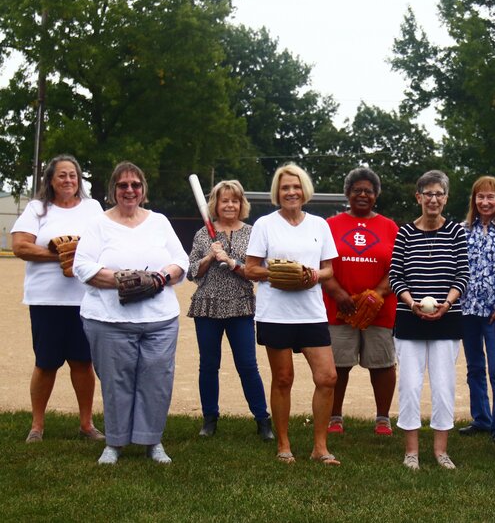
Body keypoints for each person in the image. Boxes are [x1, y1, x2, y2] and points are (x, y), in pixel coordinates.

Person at [74, 161, 189, 465]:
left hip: (159, 319)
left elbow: (181, 261)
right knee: (116, 382)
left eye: (135, 185)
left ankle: (152, 441)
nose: (129, 190)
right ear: (113, 189)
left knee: (157, 381)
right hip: (109, 319)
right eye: (123, 185)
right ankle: (115, 442)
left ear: (143, 189)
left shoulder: (159, 221)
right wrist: (127, 280)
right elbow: (82, 266)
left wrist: (160, 279)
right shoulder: (99, 224)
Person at [244, 163, 340, 465]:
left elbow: (329, 269)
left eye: (296, 186)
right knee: (283, 378)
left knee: (327, 377)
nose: (291, 192)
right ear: (277, 192)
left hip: (311, 312)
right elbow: (250, 269)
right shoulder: (264, 225)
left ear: (305, 190)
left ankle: (320, 447)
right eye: (285, 187)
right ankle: (284, 445)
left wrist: (313, 275)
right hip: (276, 312)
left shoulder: (319, 225)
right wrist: (277, 272)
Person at [11, 154, 105, 443]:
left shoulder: (92, 208)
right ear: (50, 180)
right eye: (62, 175)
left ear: (79, 180)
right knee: (46, 362)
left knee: (82, 362)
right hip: (46, 299)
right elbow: (19, 246)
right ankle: (37, 425)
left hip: (84, 297)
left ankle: (86, 424)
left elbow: (106, 243)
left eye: (73, 175)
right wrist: (58, 254)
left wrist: (80, 255)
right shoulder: (37, 209)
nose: (68, 180)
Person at [389, 170, 469, 471]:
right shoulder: (405, 233)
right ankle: (411, 452)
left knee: (444, 385)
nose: (433, 199)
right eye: (428, 194)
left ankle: (440, 451)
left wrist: (446, 304)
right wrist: (412, 304)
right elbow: (395, 275)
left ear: (445, 199)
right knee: (409, 385)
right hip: (410, 320)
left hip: (447, 319)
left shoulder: (456, 233)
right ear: (418, 197)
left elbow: (463, 273)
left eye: (439, 194)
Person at [187, 180, 273, 440]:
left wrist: (232, 262)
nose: (230, 205)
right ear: (216, 204)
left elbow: (256, 272)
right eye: (224, 200)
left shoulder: (252, 232)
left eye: (234, 200)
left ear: (241, 204)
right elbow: (192, 272)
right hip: (207, 305)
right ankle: (209, 418)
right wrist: (210, 257)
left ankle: (263, 420)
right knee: (209, 365)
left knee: (247, 365)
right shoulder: (204, 234)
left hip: (240, 305)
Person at [322, 167, 398, 436]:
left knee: (382, 364)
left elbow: (397, 267)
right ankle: (334, 416)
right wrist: (339, 294)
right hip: (340, 308)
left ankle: (382, 418)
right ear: (348, 194)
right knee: (338, 365)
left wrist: (376, 294)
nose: (363, 194)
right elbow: (322, 264)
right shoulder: (330, 225)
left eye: (368, 190)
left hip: (379, 308)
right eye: (357, 190)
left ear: (376, 195)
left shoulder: (389, 227)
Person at [458, 175, 495, 442]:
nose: (485, 201)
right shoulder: (463, 229)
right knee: (474, 367)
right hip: (467, 310)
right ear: (474, 200)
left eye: (490, 196)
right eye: (480, 196)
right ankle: (481, 418)